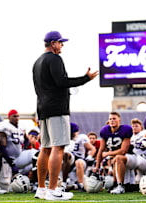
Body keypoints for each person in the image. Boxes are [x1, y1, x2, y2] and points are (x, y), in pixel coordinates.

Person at [32, 30, 98, 201]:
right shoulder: (54, 58)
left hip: (43, 109)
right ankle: (53, 190)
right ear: (53, 43)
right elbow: (62, 82)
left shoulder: (37, 61)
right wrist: (86, 78)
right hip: (56, 109)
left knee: (45, 148)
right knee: (58, 147)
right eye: (60, 42)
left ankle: (41, 189)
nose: (62, 46)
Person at [92, 112, 132, 193]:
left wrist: (108, 154)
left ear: (119, 120)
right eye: (110, 119)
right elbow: (101, 150)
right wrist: (97, 166)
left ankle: (120, 185)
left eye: (114, 119)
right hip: (116, 159)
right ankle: (116, 184)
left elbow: (123, 151)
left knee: (117, 158)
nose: (112, 120)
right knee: (115, 159)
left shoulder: (126, 129)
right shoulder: (105, 131)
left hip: (130, 156)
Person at [111, 118, 146, 194]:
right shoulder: (130, 136)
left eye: (136, 126)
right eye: (133, 126)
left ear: (141, 127)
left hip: (144, 159)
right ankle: (124, 184)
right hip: (135, 159)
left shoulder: (143, 133)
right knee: (121, 159)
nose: (134, 128)